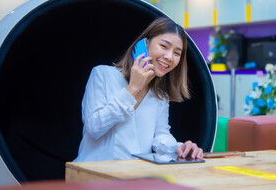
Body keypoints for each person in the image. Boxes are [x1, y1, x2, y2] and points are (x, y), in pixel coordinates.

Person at [74, 17, 203, 162]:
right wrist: (133, 88)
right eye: (164, 46)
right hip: (92, 176)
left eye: (177, 53)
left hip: (134, 177)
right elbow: (94, 128)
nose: (169, 57)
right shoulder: (102, 74)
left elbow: (160, 136)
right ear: (145, 44)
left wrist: (180, 147)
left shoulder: (160, 96)